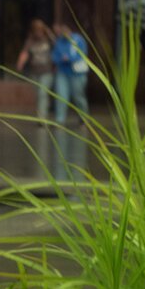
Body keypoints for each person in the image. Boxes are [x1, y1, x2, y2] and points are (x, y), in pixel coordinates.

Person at [50, 22, 90, 175]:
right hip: (62, 72)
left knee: (79, 97)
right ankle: (60, 120)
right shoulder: (59, 42)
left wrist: (70, 58)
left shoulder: (78, 39)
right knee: (61, 95)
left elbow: (82, 53)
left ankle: (83, 119)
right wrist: (62, 59)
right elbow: (55, 56)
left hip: (77, 73)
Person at [15, 19, 55, 122]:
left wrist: (48, 32)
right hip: (35, 72)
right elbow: (25, 52)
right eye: (36, 30)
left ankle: (42, 118)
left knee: (42, 93)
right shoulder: (30, 41)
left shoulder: (48, 39)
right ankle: (43, 110)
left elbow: (56, 44)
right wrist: (20, 63)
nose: (38, 33)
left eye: (40, 30)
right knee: (39, 95)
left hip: (47, 71)